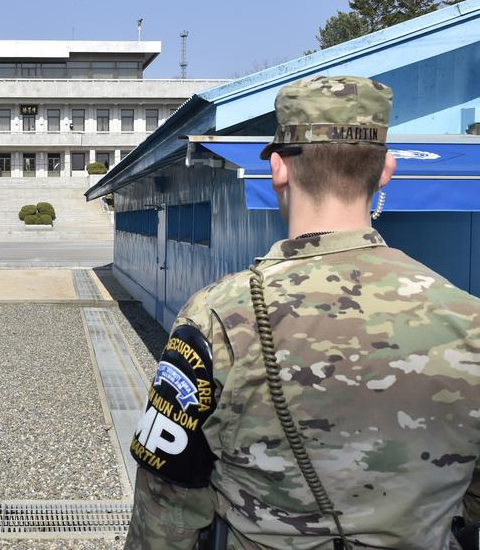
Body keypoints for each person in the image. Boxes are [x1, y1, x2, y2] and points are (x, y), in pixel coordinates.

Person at [125, 76, 480, 549]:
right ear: (388, 169)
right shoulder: (467, 317)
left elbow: (168, 500)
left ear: (277, 169)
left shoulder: (219, 315)